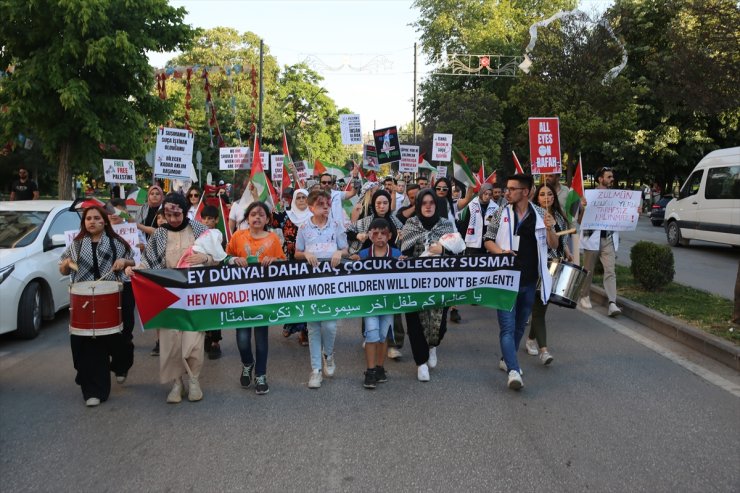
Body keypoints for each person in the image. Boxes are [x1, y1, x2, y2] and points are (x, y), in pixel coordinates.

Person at [126, 192, 216, 403]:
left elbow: (220, 257)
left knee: (193, 341)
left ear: (185, 212)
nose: (173, 219)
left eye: (177, 214)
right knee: (170, 342)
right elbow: (148, 262)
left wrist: (206, 257)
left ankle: (194, 380)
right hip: (166, 296)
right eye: (169, 214)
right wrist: (136, 271)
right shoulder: (158, 234)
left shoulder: (200, 230)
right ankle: (177, 383)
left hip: (195, 296)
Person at [483, 174, 558, 390]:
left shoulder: (541, 214)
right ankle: (514, 370)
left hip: (529, 281)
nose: (507, 192)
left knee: (518, 328)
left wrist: (551, 227)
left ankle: (507, 359)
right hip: (505, 279)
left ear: (525, 192)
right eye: (507, 189)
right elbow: (488, 239)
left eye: (512, 189)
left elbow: (553, 244)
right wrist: (501, 252)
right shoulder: (500, 213)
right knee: (506, 328)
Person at [58, 206, 136, 407]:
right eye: (88, 218)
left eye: (96, 218)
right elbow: (62, 268)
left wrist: (124, 261)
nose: (91, 221)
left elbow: (132, 261)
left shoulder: (116, 243)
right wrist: (66, 265)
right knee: (88, 344)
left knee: (122, 338)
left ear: (105, 221)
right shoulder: (75, 245)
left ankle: (121, 365)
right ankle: (93, 389)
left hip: (114, 295)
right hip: (85, 297)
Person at [224, 201, 286, 395]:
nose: (257, 217)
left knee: (261, 339)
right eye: (253, 214)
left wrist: (275, 260)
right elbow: (224, 258)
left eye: (261, 215)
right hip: (241, 296)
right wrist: (233, 259)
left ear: (267, 219)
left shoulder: (274, 239)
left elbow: (284, 263)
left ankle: (261, 375)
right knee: (242, 339)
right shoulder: (237, 236)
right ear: (247, 218)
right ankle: (247, 363)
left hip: (263, 297)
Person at [400, 188, 455, 382]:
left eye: (431, 203)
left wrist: (443, 250)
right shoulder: (411, 224)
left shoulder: (446, 225)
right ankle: (421, 362)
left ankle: (433, 346)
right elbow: (404, 251)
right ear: (418, 205)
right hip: (413, 284)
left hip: (441, 283)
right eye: (424, 203)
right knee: (415, 323)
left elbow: (458, 252)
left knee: (439, 325)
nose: (428, 206)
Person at [295, 189, 349, 389]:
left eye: (327, 204)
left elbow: (345, 249)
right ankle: (316, 369)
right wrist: (306, 254)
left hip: (331, 284)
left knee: (330, 325)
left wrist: (338, 252)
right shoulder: (303, 228)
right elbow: (297, 252)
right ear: (311, 207)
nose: (326, 207)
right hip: (311, 284)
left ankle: (329, 354)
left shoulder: (336, 226)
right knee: (313, 327)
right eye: (321, 204)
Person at [524, 184, 573, 366]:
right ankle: (544, 350)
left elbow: (560, 239)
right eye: (543, 194)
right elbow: (548, 243)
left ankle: (530, 339)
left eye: (550, 194)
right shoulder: (533, 215)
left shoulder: (559, 216)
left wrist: (567, 251)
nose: (547, 197)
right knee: (539, 306)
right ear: (537, 197)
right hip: (539, 265)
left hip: (556, 265)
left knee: (543, 306)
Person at [357, 218, 401, 389]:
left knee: (383, 336)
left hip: (389, 304)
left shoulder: (397, 254)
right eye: (375, 233)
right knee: (372, 334)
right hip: (370, 304)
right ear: (370, 235)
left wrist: (404, 264)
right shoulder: (364, 254)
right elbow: (351, 267)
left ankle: (380, 368)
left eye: (383, 233)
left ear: (390, 235)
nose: (380, 236)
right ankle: (370, 371)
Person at [580, 167, 622, 317]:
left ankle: (612, 303)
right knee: (588, 269)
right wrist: (583, 207)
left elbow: (622, 216)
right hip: (592, 237)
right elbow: (579, 220)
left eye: (612, 177)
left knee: (610, 271)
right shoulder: (588, 196)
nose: (612, 179)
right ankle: (584, 295)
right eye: (609, 177)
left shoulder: (618, 197)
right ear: (600, 179)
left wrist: (633, 211)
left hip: (608, 238)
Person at [280, 188, 313, 345]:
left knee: (306, 295)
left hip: (308, 261)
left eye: (304, 197)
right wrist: (255, 195)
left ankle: (303, 331)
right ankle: (289, 323)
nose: (301, 200)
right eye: (298, 197)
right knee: (292, 295)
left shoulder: (313, 217)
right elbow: (268, 217)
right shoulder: (287, 217)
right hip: (290, 262)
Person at [346, 189, 403, 255]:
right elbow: (347, 232)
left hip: (392, 259)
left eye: (385, 203)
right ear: (373, 204)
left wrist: (402, 237)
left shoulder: (396, 222)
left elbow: (405, 237)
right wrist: (357, 235)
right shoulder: (365, 222)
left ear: (389, 204)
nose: (382, 206)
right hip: (367, 259)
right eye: (378, 203)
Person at [458, 183, 499, 254]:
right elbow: (465, 224)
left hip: (487, 242)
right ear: (481, 193)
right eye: (485, 194)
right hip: (472, 242)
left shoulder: (495, 207)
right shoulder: (471, 205)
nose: (487, 196)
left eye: (489, 194)